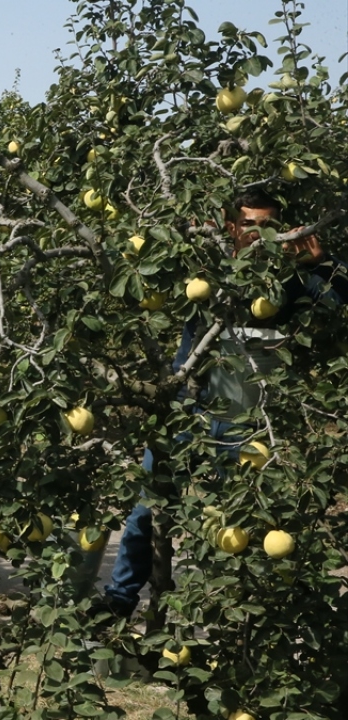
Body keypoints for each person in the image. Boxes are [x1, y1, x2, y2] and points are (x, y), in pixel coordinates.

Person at [95, 188, 348, 620]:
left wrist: (322, 263)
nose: (260, 233)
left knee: (241, 524)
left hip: (248, 423)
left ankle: (235, 614)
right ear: (232, 227)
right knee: (145, 510)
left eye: (269, 225)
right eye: (250, 224)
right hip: (188, 412)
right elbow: (155, 266)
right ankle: (119, 602)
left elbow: (339, 304)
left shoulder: (294, 281)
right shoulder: (209, 273)